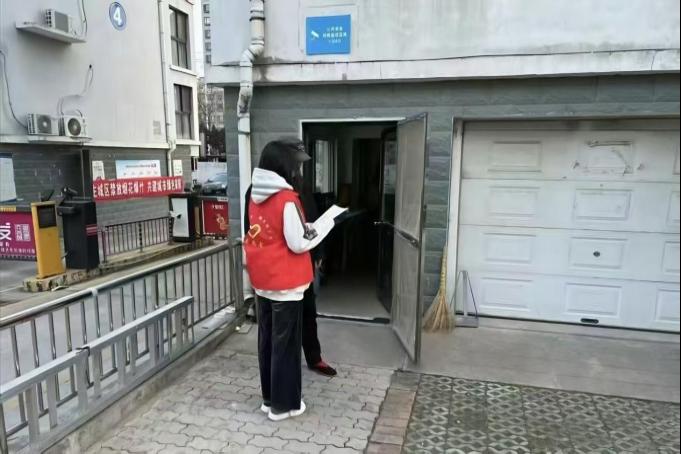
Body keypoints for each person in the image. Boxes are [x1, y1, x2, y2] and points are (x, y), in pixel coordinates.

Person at [243, 139, 337, 422]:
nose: (297, 170)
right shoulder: (286, 199)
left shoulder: (254, 195)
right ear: (283, 166)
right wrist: (323, 227)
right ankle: (284, 406)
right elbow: (297, 243)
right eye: (295, 165)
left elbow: (265, 233)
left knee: (267, 342)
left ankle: (269, 399)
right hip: (286, 284)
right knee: (286, 346)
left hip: (264, 281)